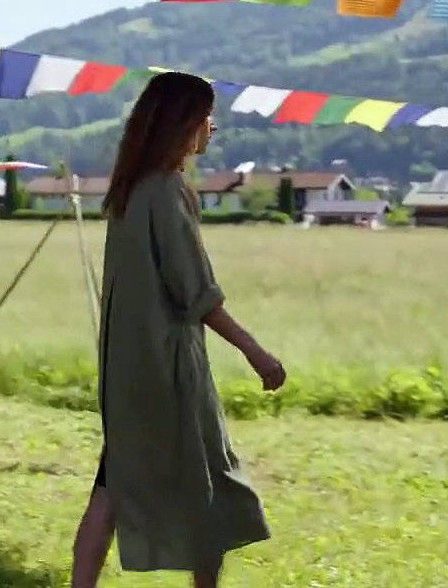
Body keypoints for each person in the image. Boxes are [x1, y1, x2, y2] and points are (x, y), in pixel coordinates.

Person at [70, 72, 287, 588]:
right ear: (184, 122)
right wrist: (256, 352)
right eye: (207, 116)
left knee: (111, 486)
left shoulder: (130, 190)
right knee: (205, 486)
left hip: (127, 370)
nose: (213, 126)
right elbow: (197, 294)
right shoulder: (167, 192)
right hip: (166, 370)